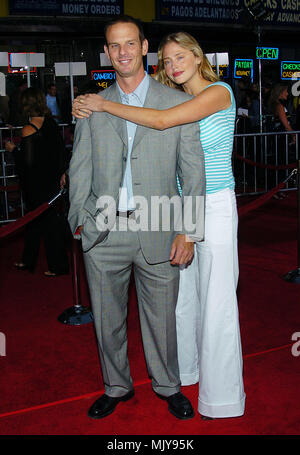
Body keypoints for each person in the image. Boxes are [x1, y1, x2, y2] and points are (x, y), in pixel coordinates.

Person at [73, 30, 246, 420]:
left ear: (142, 48)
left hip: (174, 217)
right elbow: (80, 163)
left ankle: (177, 387)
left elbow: (187, 157)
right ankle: (120, 385)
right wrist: (79, 220)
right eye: (114, 45)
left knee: (183, 312)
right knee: (119, 318)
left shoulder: (185, 101)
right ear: (105, 51)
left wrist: (188, 228)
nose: (123, 51)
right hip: (105, 226)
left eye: (130, 43)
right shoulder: (91, 106)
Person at [5, 87, 69, 276]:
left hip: (37, 185)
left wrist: (13, 150)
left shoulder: (29, 129)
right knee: (36, 223)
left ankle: (58, 265)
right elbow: (60, 152)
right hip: (52, 180)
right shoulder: (51, 123)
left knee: (45, 223)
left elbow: (29, 163)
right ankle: (28, 259)